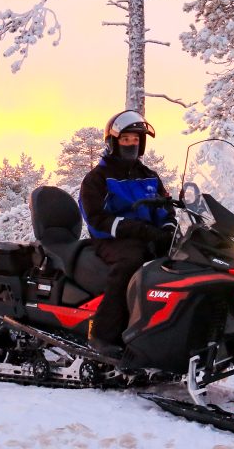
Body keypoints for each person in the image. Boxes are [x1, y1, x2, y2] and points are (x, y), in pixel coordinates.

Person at [78, 110, 175, 355]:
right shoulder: (98, 178)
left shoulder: (149, 176)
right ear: (113, 142)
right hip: (112, 239)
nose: (131, 144)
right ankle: (103, 335)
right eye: (125, 139)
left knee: (180, 261)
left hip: (148, 235)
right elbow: (96, 218)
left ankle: (166, 329)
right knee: (132, 262)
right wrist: (134, 229)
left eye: (136, 139)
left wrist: (167, 228)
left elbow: (165, 207)